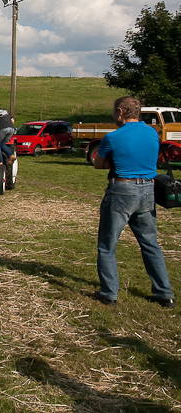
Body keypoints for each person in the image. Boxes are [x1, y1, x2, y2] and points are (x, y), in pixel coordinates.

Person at [91, 96, 175, 308]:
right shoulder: (152, 133)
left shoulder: (112, 137)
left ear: (120, 112)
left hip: (122, 190)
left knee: (107, 245)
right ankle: (164, 293)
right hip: (148, 189)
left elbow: (98, 164)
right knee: (150, 243)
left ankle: (109, 293)